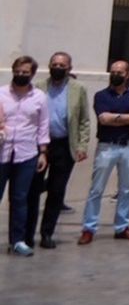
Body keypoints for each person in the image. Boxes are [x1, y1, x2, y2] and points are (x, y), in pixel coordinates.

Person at [24, 52, 89, 251]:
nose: (58, 68)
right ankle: (27, 235)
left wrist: (82, 146)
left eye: (62, 65)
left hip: (64, 144)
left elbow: (84, 120)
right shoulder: (38, 88)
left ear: (69, 68)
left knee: (56, 191)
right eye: (54, 64)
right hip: (40, 145)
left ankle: (47, 233)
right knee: (32, 191)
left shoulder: (78, 89)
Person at [77, 59, 129, 245]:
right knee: (96, 189)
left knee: (126, 189)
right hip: (107, 146)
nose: (116, 75)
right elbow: (103, 119)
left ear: (127, 74)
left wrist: (116, 117)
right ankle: (89, 228)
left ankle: (122, 226)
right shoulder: (101, 95)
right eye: (113, 71)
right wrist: (126, 118)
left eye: (120, 72)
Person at [1, 57, 48, 255]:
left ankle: (17, 240)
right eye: (18, 71)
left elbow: (43, 126)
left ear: (32, 74)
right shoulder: (1, 93)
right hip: (2, 152)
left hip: (27, 153)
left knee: (20, 199)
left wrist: (43, 153)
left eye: (25, 72)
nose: (21, 75)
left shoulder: (39, 97)